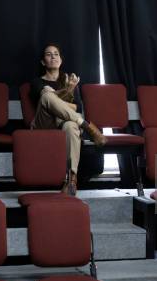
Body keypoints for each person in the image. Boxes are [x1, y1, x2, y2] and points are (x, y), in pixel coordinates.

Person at [29, 44, 107, 195]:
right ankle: (87, 126)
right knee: (46, 94)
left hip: (63, 123)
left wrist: (70, 88)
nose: (53, 56)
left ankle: (71, 180)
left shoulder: (69, 81)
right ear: (43, 62)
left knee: (71, 125)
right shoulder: (37, 82)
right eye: (48, 54)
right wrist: (68, 91)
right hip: (43, 123)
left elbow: (77, 108)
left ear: (61, 59)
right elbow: (49, 103)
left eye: (56, 54)